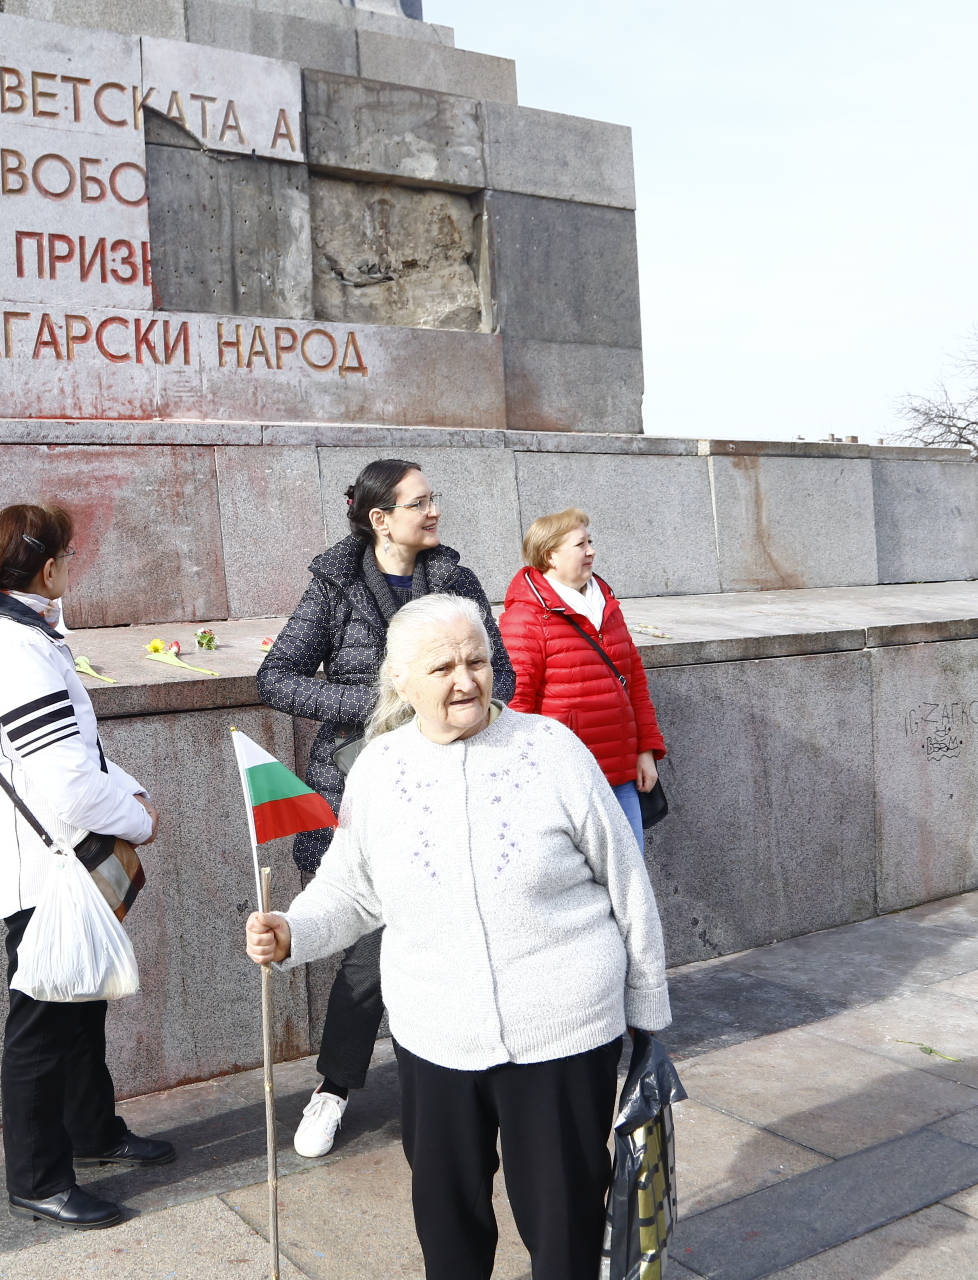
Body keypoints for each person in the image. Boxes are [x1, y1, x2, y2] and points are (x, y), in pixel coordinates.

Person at [244, 594, 670, 1280]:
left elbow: (628, 882)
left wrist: (648, 1013)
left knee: (564, 1229)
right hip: (436, 1035)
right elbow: (351, 889)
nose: (466, 680)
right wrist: (291, 930)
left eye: (476, 661)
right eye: (442, 667)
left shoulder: (551, 749)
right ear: (402, 683)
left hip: (559, 1032)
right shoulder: (379, 770)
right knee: (448, 1229)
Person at [256, 460, 514, 1158]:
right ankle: (334, 1088)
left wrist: (456, 708)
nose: (433, 511)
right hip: (360, 788)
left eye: (434, 498)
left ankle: (472, 1074)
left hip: (453, 785)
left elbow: (505, 673)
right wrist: (376, 707)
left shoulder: (455, 580)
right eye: (419, 502)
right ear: (379, 518)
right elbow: (274, 677)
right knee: (370, 954)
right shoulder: (335, 584)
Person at [0, 504, 175, 1231]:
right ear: (48, 568)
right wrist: (138, 817)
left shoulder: (16, 634)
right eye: (68, 558)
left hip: (50, 860)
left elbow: (75, 750)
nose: (72, 569)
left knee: (78, 1006)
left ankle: (94, 1134)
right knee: (44, 1023)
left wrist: (125, 786)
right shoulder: (14, 648)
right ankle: (38, 1178)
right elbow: (66, 783)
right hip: (43, 869)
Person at [499, 508, 666, 853]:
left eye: (590, 542)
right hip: (567, 781)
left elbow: (634, 682)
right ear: (550, 556)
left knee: (630, 879)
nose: (591, 551)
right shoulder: (525, 618)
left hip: (621, 777)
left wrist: (645, 750)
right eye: (580, 544)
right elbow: (515, 705)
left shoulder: (606, 604)